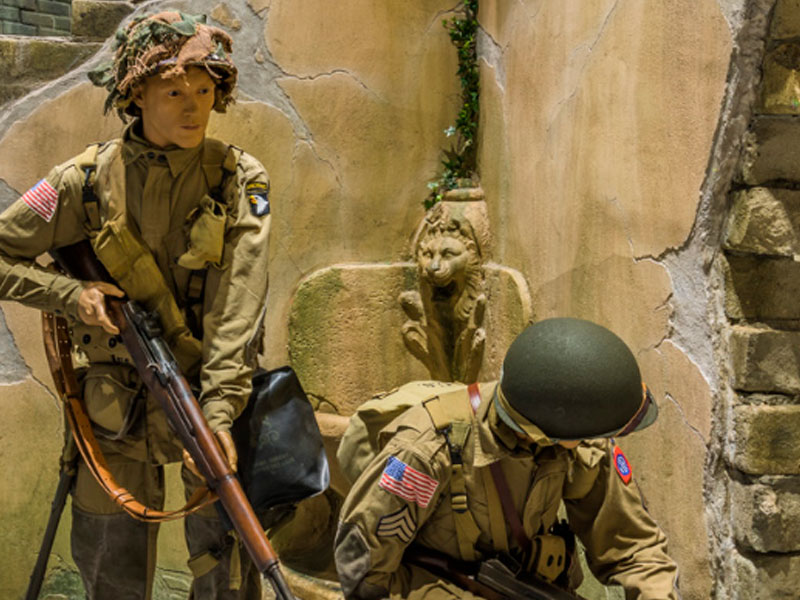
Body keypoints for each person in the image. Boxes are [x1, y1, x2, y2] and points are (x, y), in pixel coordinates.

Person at [0, 12, 271, 599]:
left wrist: (220, 414)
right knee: (110, 570)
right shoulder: (83, 181)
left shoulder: (237, 177)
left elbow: (238, 304)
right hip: (113, 412)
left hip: (208, 396)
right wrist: (73, 294)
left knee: (225, 567)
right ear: (136, 93)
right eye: (174, 91)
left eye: (204, 90)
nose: (193, 107)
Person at [334, 317, 680, 600]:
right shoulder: (425, 451)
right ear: (542, 432)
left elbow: (634, 547)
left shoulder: (580, 436)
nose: (600, 440)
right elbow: (364, 570)